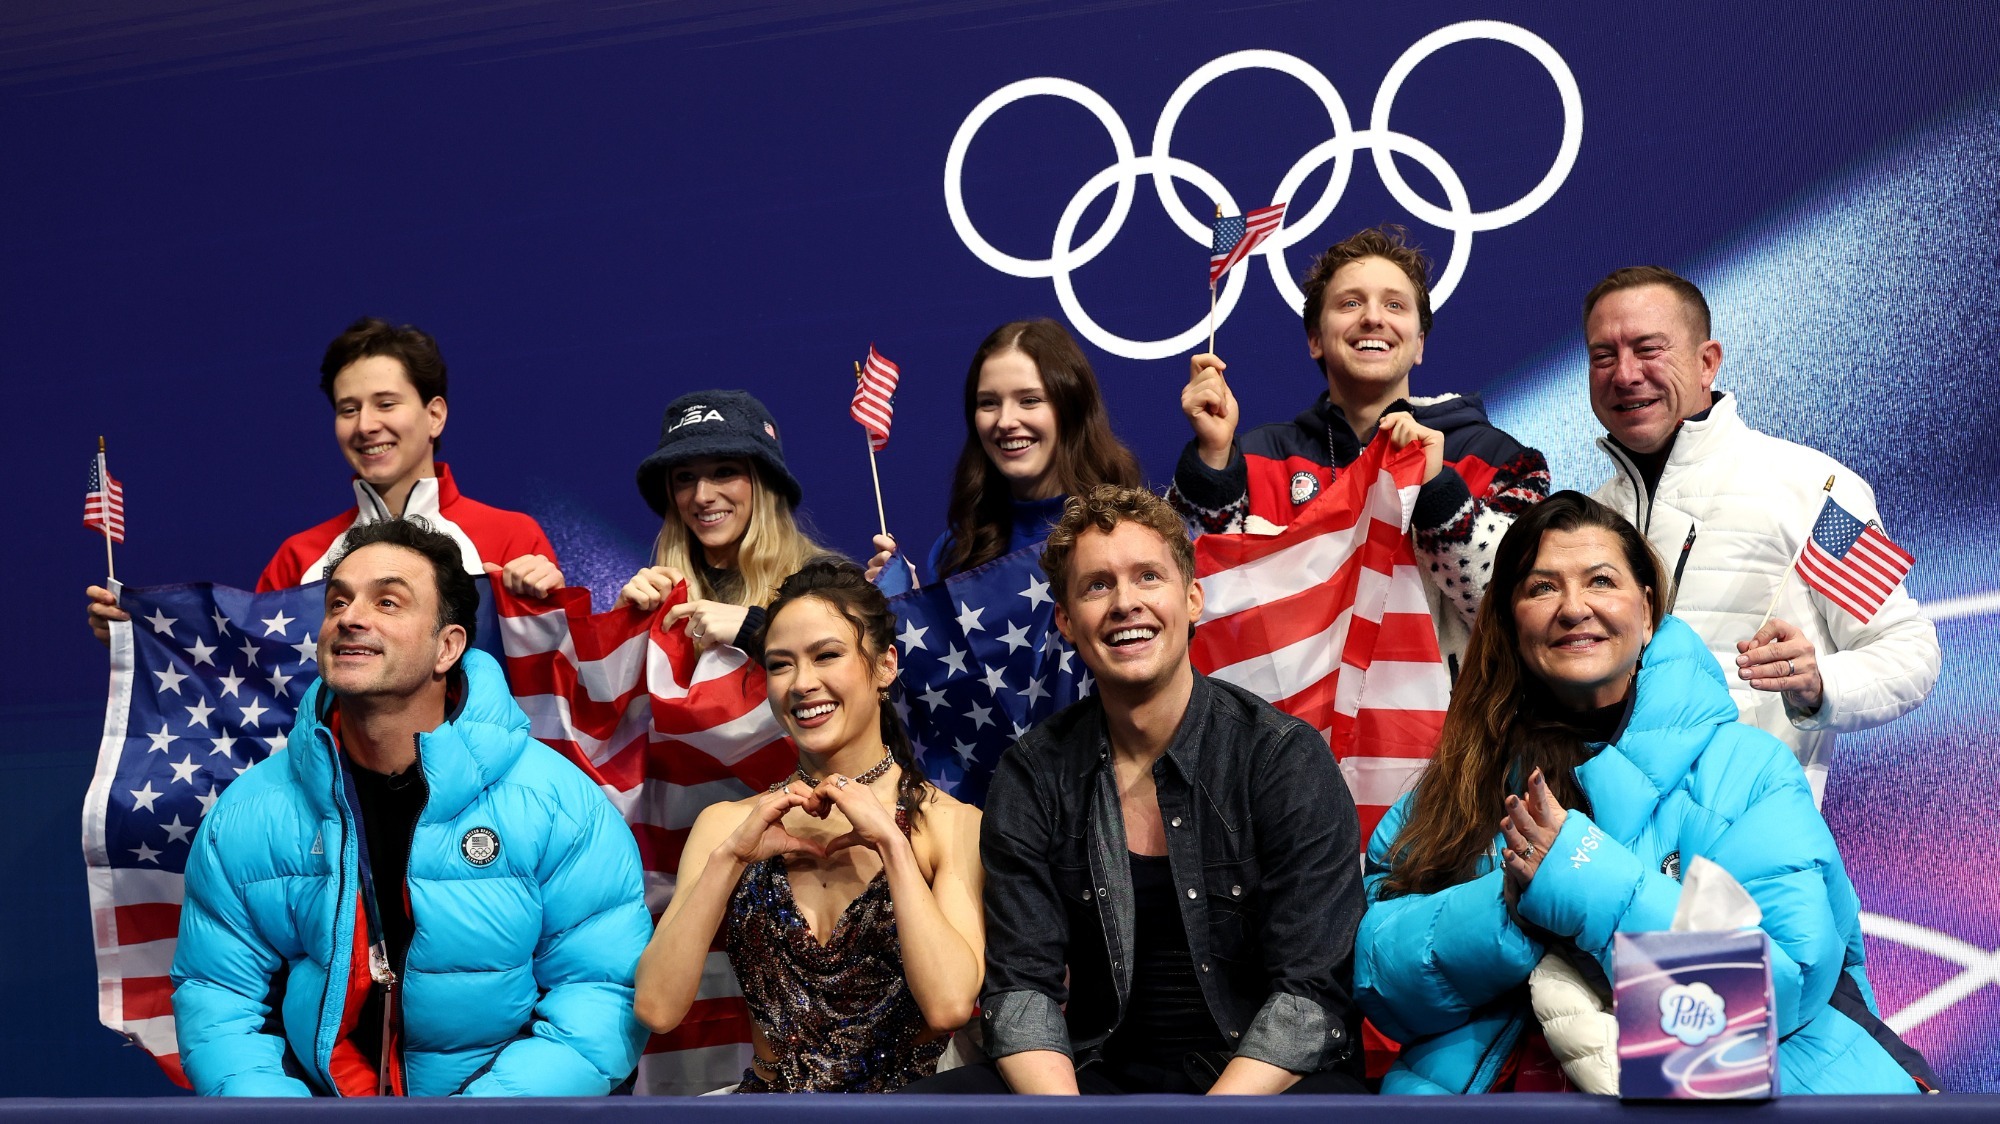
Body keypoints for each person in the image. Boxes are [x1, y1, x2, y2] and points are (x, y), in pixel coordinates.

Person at [1355, 492, 1931, 1095]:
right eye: (1542, 587)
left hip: (1716, 1099)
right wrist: (1509, 908)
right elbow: (1381, 987)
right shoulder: (1460, 781)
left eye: (1600, 581)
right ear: (1510, 617)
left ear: (1649, 611)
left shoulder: (1747, 770)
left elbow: (1773, 995)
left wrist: (1580, 881)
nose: (1574, 608)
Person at [910, 485, 1367, 1095]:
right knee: (931, 1108)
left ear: (1193, 598)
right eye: (1098, 585)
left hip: (1264, 1084)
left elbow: (1310, 996)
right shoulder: (1034, 773)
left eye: (1148, 577)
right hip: (1099, 1078)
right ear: (1068, 621)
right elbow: (1024, 989)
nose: (1126, 603)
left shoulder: (1282, 757)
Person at [171, 517, 652, 1096]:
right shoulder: (246, 814)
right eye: (338, 601)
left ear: (447, 647)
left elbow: (601, 997)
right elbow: (218, 1000)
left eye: (388, 602)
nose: (350, 618)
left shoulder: (559, 805)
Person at [1582, 266, 1939, 798]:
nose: (1625, 374)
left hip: (1751, 838)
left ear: (1707, 362)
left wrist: (1819, 683)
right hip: (1609, 842)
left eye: (1648, 349)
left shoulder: (1813, 488)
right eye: (1603, 356)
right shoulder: (1587, 516)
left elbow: (1909, 649)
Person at [633, 560, 984, 1093]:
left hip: (909, 1115)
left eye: (827, 656)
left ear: (885, 665)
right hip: (769, 1113)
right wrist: (729, 860)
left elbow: (949, 1005)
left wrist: (891, 841)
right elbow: (658, 1008)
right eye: (780, 665)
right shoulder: (727, 826)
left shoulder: (950, 824)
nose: (802, 684)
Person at [1171, 225, 1548, 679]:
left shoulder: (1497, 459)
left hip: (1444, 741)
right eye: (1350, 303)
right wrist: (1212, 462)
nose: (1373, 318)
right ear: (1315, 339)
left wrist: (1437, 493)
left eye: (1395, 305)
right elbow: (1191, 601)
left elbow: (1522, 609)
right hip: (1288, 737)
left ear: (1420, 344)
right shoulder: (1252, 459)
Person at [86, 317, 562, 642]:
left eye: (386, 403)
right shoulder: (300, 556)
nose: (365, 425)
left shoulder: (512, 537)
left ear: (434, 415)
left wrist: (549, 606)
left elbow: (556, 681)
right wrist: (140, 638)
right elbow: (249, 680)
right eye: (348, 409)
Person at [866, 318, 1142, 591]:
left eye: (1029, 400)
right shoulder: (955, 552)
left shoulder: (1137, 529)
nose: (1006, 421)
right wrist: (914, 607)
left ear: (1071, 410)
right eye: (989, 403)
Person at [616, 389, 835, 661]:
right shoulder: (657, 594)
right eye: (685, 477)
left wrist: (758, 630)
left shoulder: (829, 582)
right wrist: (621, 630)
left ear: (764, 483)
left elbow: (855, 679)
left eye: (724, 472)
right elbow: (604, 700)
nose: (702, 496)